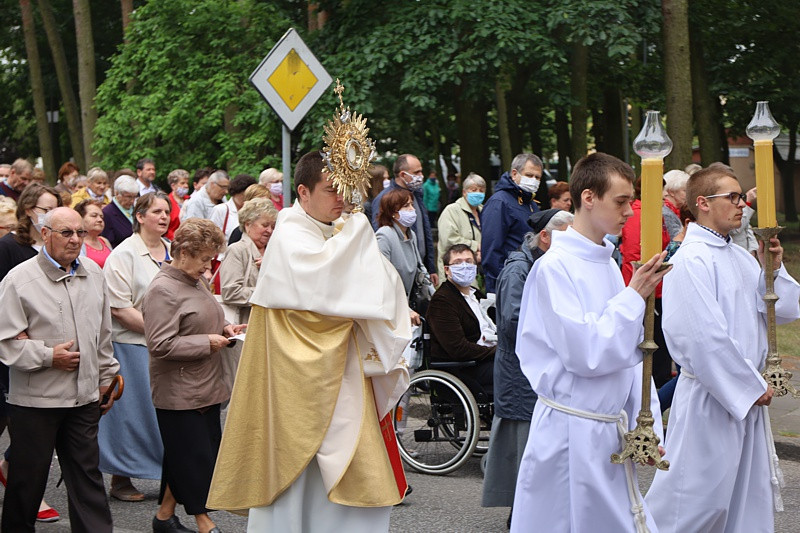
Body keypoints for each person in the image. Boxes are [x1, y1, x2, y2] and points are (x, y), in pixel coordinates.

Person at [208, 150, 411, 531]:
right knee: (297, 479)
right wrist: (357, 231)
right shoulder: (290, 233)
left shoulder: (338, 231)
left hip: (347, 375)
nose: (343, 200)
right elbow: (326, 293)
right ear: (303, 191)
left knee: (355, 474)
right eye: (332, 189)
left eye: (348, 190)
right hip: (296, 384)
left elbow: (382, 284)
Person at [510, 153, 669, 533]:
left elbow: (632, 357)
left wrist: (648, 427)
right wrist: (633, 298)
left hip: (608, 431)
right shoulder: (554, 268)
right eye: (620, 201)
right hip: (572, 434)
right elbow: (588, 354)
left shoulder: (608, 263)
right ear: (588, 197)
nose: (630, 212)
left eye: (631, 201)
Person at [645, 166, 800, 533]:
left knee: (744, 500)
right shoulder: (689, 259)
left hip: (744, 398)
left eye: (741, 196)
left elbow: (785, 311)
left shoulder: (742, 257)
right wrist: (749, 386)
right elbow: (701, 337)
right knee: (696, 502)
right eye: (731, 197)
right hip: (710, 399)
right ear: (702, 203)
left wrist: (773, 268)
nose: (741, 204)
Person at [0, 207, 119, 533]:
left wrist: (107, 381)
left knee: (88, 477)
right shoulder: (19, 280)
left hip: (83, 399)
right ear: (45, 234)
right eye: (67, 233)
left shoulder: (94, 272)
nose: (75, 239)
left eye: (80, 232)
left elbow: (103, 336)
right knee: (27, 482)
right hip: (36, 403)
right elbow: (5, 343)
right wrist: (47, 356)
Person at [142, 218, 245, 533]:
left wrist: (224, 328)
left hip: (205, 385)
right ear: (183, 252)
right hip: (180, 392)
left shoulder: (194, 279)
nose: (208, 266)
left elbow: (201, 317)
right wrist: (207, 342)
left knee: (183, 457)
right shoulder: (162, 289)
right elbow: (160, 344)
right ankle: (204, 523)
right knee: (195, 459)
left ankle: (163, 517)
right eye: (204, 259)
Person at [482, 208, 573, 521]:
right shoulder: (519, 268)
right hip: (518, 374)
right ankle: (520, 516)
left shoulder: (545, 262)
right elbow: (511, 322)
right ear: (544, 237)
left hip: (534, 372)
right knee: (523, 446)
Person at [99, 192, 171, 502]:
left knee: (163, 414)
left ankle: (170, 475)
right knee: (132, 415)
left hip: (168, 345)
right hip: (133, 345)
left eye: (167, 211)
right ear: (139, 217)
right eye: (156, 211)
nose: (164, 216)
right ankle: (121, 478)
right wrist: (160, 331)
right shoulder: (124, 255)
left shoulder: (172, 250)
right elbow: (119, 308)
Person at [0, 183, 62, 523]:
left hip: (52, 354)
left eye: (56, 209)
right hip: (13, 352)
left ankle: (19, 479)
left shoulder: (61, 248)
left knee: (36, 427)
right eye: (44, 209)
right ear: (28, 211)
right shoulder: (10, 248)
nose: (49, 216)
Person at [620, 177, 673, 388]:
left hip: (656, 286)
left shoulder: (655, 212)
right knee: (653, 348)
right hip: (647, 288)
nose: (665, 196)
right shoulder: (640, 213)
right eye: (662, 191)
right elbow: (635, 254)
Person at [427, 244, 496, 393]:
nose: (464, 266)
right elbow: (458, 348)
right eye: (458, 262)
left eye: (469, 261)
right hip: (467, 367)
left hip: (489, 357)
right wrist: (496, 351)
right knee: (517, 372)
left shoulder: (476, 295)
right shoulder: (442, 301)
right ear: (447, 270)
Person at [480, 153, 544, 293]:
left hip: (527, 279)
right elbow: (491, 250)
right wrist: (498, 286)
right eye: (529, 175)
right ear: (514, 174)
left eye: (537, 177)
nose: (533, 180)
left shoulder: (531, 204)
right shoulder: (500, 202)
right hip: (509, 282)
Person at [371, 154, 438, 285]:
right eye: (416, 172)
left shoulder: (416, 194)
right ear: (403, 174)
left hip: (419, 268)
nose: (421, 175)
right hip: (400, 275)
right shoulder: (385, 198)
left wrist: (431, 267)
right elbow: (380, 234)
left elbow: (425, 231)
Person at [376, 188, 432, 323]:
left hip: (409, 302)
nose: (412, 209)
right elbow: (382, 278)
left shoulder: (410, 234)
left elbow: (420, 268)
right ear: (393, 212)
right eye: (406, 206)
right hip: (392, 307)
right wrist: (405, 310)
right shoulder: (384, 235)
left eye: (412, 204)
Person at [219, 198, 278, 324]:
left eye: (273, 226)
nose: (270, 231)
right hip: (246, 323)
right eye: (265, 225)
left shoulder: (274, 251)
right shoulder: (237, 250)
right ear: (247, 224)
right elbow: (230, 292)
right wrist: (269, 293)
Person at [436, 172, 484, 282]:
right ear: (464, 192)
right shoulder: (451, 211)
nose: (478, 193)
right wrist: (476, 246)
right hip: (455, 272)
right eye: (473, 190)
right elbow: (449, 240)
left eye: (481, 191)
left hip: (477, 270)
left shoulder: (484, 211)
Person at [210, 174, 257, 242]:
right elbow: (212, 237)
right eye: (243, 194)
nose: (247, 198)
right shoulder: (221, 210)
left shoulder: (253, 211)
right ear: (236, 192)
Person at [101, 175, 139, 248]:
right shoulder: (107, 213)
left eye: (134, 196)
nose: (132, 200)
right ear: (117, 193)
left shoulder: (136, 210)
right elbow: (108, 243)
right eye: (128, 197)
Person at [74, 199, 113, 268]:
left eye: (101, 217)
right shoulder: (76, 242)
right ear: (80, 218)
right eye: (94, 216)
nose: (100, 220)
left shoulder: (104, 241)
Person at [662, 169, 689, 239]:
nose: (688, 195)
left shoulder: (673, 211)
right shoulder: (666, 214)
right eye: (685, 191)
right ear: (671, 192)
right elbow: (676, 241)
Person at [165, 169, 190, 240]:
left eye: (187, 183)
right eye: (182, 183)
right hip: (172, 240)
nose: (186, 186)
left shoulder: (190, 200)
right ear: (173, 186)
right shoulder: (167, 202)